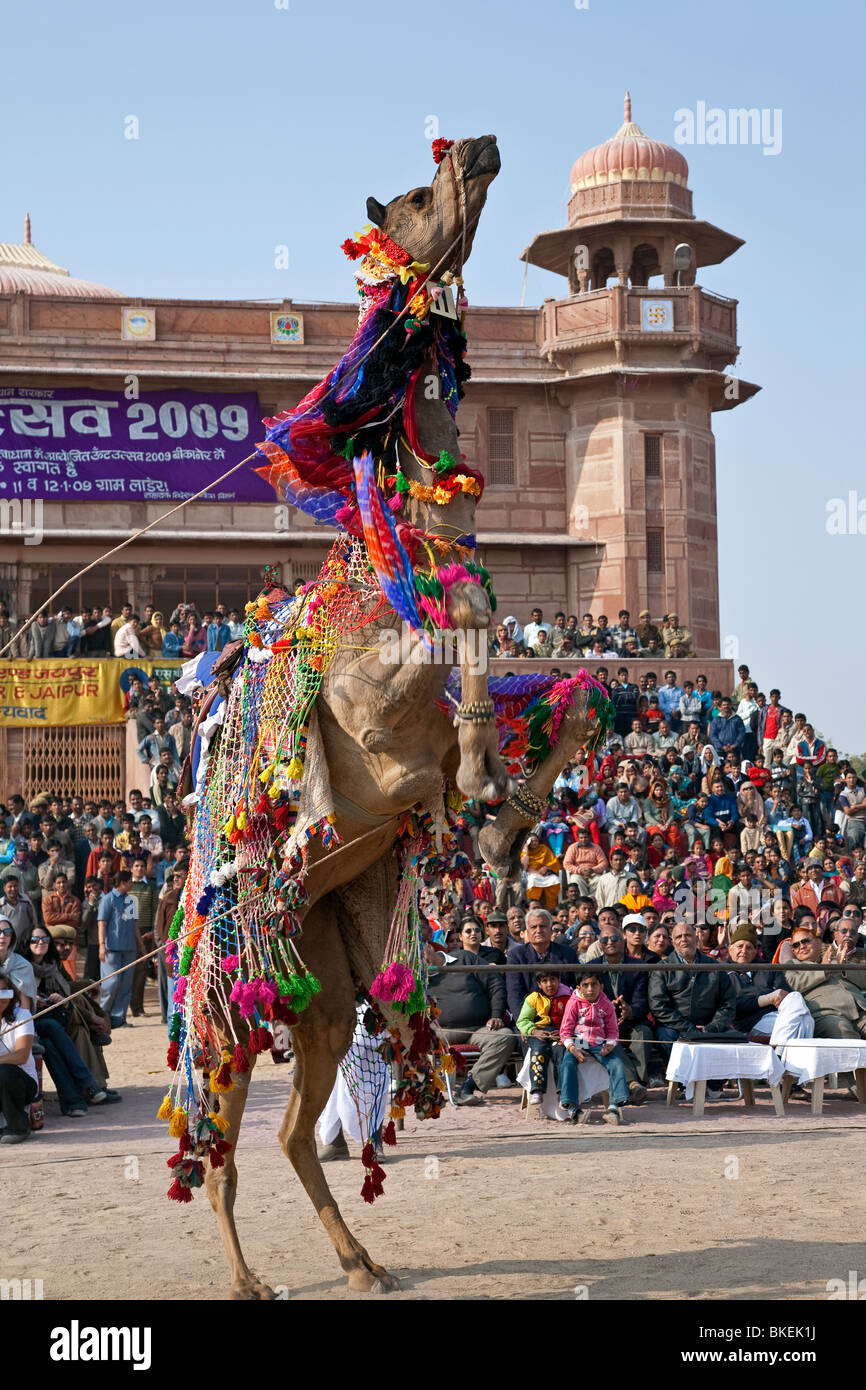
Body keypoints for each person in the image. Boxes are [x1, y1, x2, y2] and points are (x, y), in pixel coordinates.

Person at [648, 922, 741, 1099]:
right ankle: (685, 1085)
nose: (684, 940)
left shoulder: (714, 967)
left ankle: (714, 1085)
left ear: (697, 938)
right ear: (672, 942)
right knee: (665, 1036)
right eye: (678, 937)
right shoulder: (662, 969)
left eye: (688, 935)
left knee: (730, 1037)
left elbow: (728, 1003)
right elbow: (659, 1006)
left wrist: (712, 1027)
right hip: (676, 1027)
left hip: (709, 1024)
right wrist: (687, 1028)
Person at [426, 940, 515, 1107]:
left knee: (505, 1037)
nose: (419, 961)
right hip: (440, 1033)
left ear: (429, 947)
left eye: (420, 954)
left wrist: (496, 1015)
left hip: (479, 1028)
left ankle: (467, 1088)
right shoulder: (416, 976)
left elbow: (496, 985)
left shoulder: (465, 958)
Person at [559, 969, 630, 1125]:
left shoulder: (607, 1004)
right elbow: (565, 1031)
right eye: (585, 985)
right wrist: (572, 1048)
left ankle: (614, 1106)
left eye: (594, 985)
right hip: (579, 1041)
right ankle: (571, 1105)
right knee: (568, 1064)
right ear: (578, 988)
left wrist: (610, 1045)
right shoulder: (573, 1003)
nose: (590, 989)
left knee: (616, 1063)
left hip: (599, 1042)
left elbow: (612, 1030)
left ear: (601, 986)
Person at [783, 923, 866, 1039]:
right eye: (796, 945)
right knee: (846, 1037)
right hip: (828, 1014)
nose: (801, 946)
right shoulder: (793, 965)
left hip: (860, 1010)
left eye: (805, 941)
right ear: (793, 951)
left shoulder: (836, 960)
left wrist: (843, 966)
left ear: (818, 942)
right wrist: (824, 969)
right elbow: (795, 983)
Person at [505, 908, 578, 1022]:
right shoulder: (516, 956)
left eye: (543, 926)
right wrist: (525, 1026)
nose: (538, 930)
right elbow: (514, 994)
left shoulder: (567, 954)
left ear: (550, 930)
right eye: (533, 927)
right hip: (531, 1020)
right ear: (527, 932)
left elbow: (577, 988)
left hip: (565, 1019)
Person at [516, 970, 572, 1115]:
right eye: (545, 981)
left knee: (561, 1052)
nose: (549, 984)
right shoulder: (533, 998)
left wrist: (562, 1032)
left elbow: (573, 1019)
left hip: (559, 1032)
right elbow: (523, 1020)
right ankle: (537, 1090)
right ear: (539, 984)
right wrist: (534, 1031)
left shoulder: (568, 997)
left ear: (559, 980)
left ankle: (562, 1093)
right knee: (538, 1052)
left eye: (553, 979)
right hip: (538, 1031)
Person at [98, 870, 141, 1028]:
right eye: (130, 881)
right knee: (111, 982)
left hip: (129, 948)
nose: (132, 884)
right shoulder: (107, 899)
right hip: (111, 948)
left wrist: (140, 946)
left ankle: (118, 1018)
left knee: (125, 985)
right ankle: (103, 1014)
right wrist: (101, 945)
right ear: (123, 882)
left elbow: (134, 924)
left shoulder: (132, 900)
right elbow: (101, 923)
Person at [0, 971, 39, 1144]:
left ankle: (18, 1127)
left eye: (4, 991)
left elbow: (21, 1056)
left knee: (3, 1072)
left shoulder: (22, 1016)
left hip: (22, 1082)